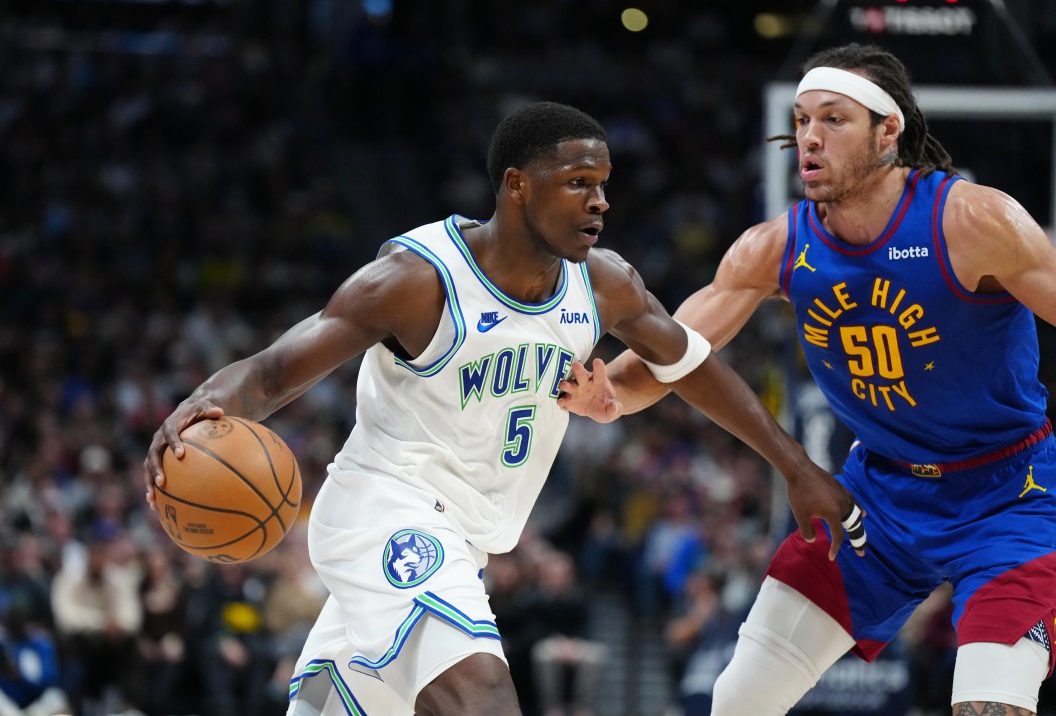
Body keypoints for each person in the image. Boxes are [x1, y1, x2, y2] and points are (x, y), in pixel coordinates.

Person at [143, 100, 861, 716]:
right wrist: (204, 403)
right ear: (518, 187)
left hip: (471, 539)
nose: (600, 202)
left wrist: (795, 467)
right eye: (579, 184)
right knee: (482, 697)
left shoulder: (602, 284)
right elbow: (271, 374)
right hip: (385, 513)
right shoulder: (418, 279)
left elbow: (689, 364)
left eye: (604, 185)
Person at [558, 43, 1056, 715]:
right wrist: (610, 393)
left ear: (889, 131)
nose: (809, 138)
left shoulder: (973, 221)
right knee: (736, 700)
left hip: (1010, 494)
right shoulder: (775, 247)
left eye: (833, 118)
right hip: (878, 492)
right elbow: (674, 349)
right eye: (799, 120)